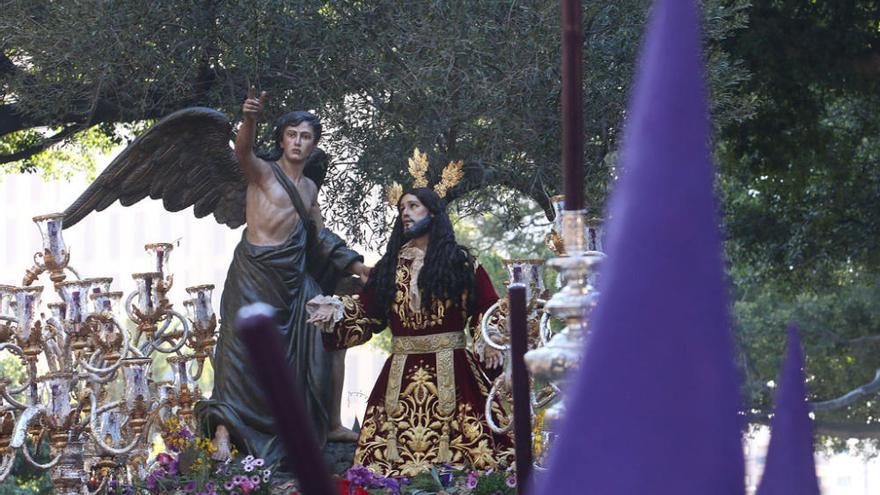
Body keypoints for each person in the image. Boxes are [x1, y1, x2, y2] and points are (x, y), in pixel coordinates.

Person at [195, 89, 368, 471]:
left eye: (306, 136)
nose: (298, 142)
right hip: (254, 277)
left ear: (313, 145)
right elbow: (241, 151)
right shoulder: (262, 172)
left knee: (318, 345)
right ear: (282, 139)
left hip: (293, 286)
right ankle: (224, 428)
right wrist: (250, 117)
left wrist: (358, 269)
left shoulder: (309, 188)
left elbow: (320, 237)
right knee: (238, 359)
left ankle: (324, 425)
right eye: (292, 134)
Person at [307, 188, 513, 477]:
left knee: (472, 459)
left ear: (432, 212)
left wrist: (488, 337)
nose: (405, 213)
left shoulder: (462, 262)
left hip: (454, 370)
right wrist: (337, 312)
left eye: (413, 206)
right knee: (385, 465)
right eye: (402, 207)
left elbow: (487, 306)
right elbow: (368, 312)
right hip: (401, 372)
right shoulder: (389, 267)